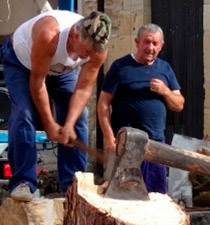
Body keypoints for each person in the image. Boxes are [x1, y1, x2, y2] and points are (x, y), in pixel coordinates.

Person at [0, 10, 111, 201]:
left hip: (60, 71)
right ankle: (24, 183)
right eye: (86, 51)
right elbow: (37, 83)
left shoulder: (98, 51)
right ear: (75, 35)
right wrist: (50, 124)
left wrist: (68, 123)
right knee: (23, 115)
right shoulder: (49, 34)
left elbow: (84, 89)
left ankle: (72, 187)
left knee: (79, 118)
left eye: (94, 51)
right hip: (22, 64)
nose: (87, 56)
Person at [97, 23, 184, 193]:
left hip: (155, 144)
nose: (150, 48)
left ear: (161, 46)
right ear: (137, 42)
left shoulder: (165, 69)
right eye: (146, 42)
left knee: (155, 197)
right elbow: (103, 104)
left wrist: (165, 91)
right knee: (121, 196)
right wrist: (108, 137)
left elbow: (179, 104)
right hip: (125, 144)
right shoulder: (120, 67)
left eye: (155, 44)